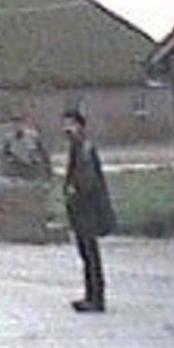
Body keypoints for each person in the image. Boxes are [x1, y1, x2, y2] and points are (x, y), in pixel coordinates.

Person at [62, 107, 116, 312]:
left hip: (87, 210)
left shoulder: (84, 148)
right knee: (86, 254)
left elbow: (87, 180)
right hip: (81, 209)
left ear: (80, 126)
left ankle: (96, 298)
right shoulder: (77, 147)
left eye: (71, 124)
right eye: (65, 124)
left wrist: (74, 192)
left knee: (91, 254)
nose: (67, 129)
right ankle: (90, 294)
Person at [3, 114, 52, 181]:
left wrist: (47, 170)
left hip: (32, 169)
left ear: (23, 124)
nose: (16, 126)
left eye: (19, 124)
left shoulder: (33, 136)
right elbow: (7, 153)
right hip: (16, 170)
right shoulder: (9, 138)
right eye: (14, 124)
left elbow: (44, 153)